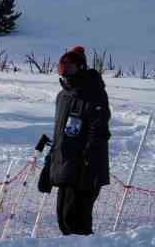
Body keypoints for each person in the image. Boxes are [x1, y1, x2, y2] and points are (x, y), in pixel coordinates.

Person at [38, 45, 111, 235]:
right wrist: (50, 165)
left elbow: (100, 130)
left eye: (69, 68)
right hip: (65, 166)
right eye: (62, 69)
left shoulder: (93, 93)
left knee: (76, 221)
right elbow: (60, 135)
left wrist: (90, 160)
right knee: (64, 220)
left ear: (81, 68)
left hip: (85, 168)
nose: (65, 74)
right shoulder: (63, 96)